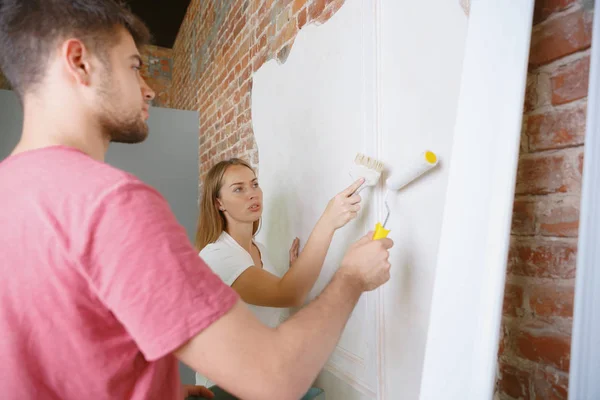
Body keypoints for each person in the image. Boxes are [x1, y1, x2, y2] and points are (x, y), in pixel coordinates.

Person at [0, 1, 394, 400]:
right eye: (135, 66)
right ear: (79, 62)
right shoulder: (110, 203)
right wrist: (352, 278)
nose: (149, 88)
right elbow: (274, 380)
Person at [193, 158, 363, 394]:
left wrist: (295, 272)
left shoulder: (259, 249)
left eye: (254, 184)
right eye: (239, 189)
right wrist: (328, 221)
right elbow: (289, 294)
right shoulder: (217, 256)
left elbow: (278, 299)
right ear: (219, 202)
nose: (252, 194)